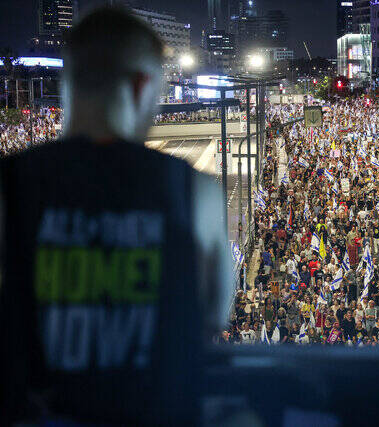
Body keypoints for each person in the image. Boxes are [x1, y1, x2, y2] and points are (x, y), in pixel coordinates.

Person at [0, 8, 233, 426]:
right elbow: (214, 315)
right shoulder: (193, 192)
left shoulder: (10, 186)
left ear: (68, 82)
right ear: (143, 85)